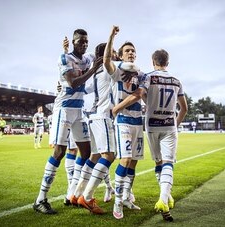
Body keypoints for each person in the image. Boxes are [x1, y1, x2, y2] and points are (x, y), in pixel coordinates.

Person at [112, 49, 188, 222]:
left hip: (152, 125)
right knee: (168, 163)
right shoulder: (177, 81)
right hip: (169, 126)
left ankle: (164, 200)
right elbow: (184, 108)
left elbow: (140, 93)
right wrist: (175, 125)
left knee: (158, 162)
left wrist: (117, 107)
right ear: (167, 62)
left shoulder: (148, 77)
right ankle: (164, 197)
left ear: (153, 61)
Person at [33, 28, 102, 214]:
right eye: (80, 41)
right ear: (73, 42)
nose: (84, 44)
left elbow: (101, 56)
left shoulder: (88, 58)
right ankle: (40, 199)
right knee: (59, 151)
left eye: (86, 41)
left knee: (87, 152)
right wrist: (94, 69)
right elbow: (73, 82)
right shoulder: (64, 59)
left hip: (79, 110)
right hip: (63, 109)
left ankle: (72, 193)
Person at [104, 25, 144, 219]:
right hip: (123, 122)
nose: (131, 53)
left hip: (138, 122)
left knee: (134, 162)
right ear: (120, 55)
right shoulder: (117, 71)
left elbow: (141, 94)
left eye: (133, 51)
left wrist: (118, 106)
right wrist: (111, 36)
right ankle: (118, 202)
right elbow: (106, 61)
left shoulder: (140, 74)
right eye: (127, 50)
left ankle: (127, 196)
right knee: (125, 159)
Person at [71, 43, 116, 214]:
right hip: (103, 116)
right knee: (109, 156)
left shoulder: (96, 73)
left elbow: (84, 88)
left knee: (95, 156)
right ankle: (87, 197)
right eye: (113, 52)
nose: (116, 55)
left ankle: (77, 194)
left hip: (93, 117)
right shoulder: (108, 68)